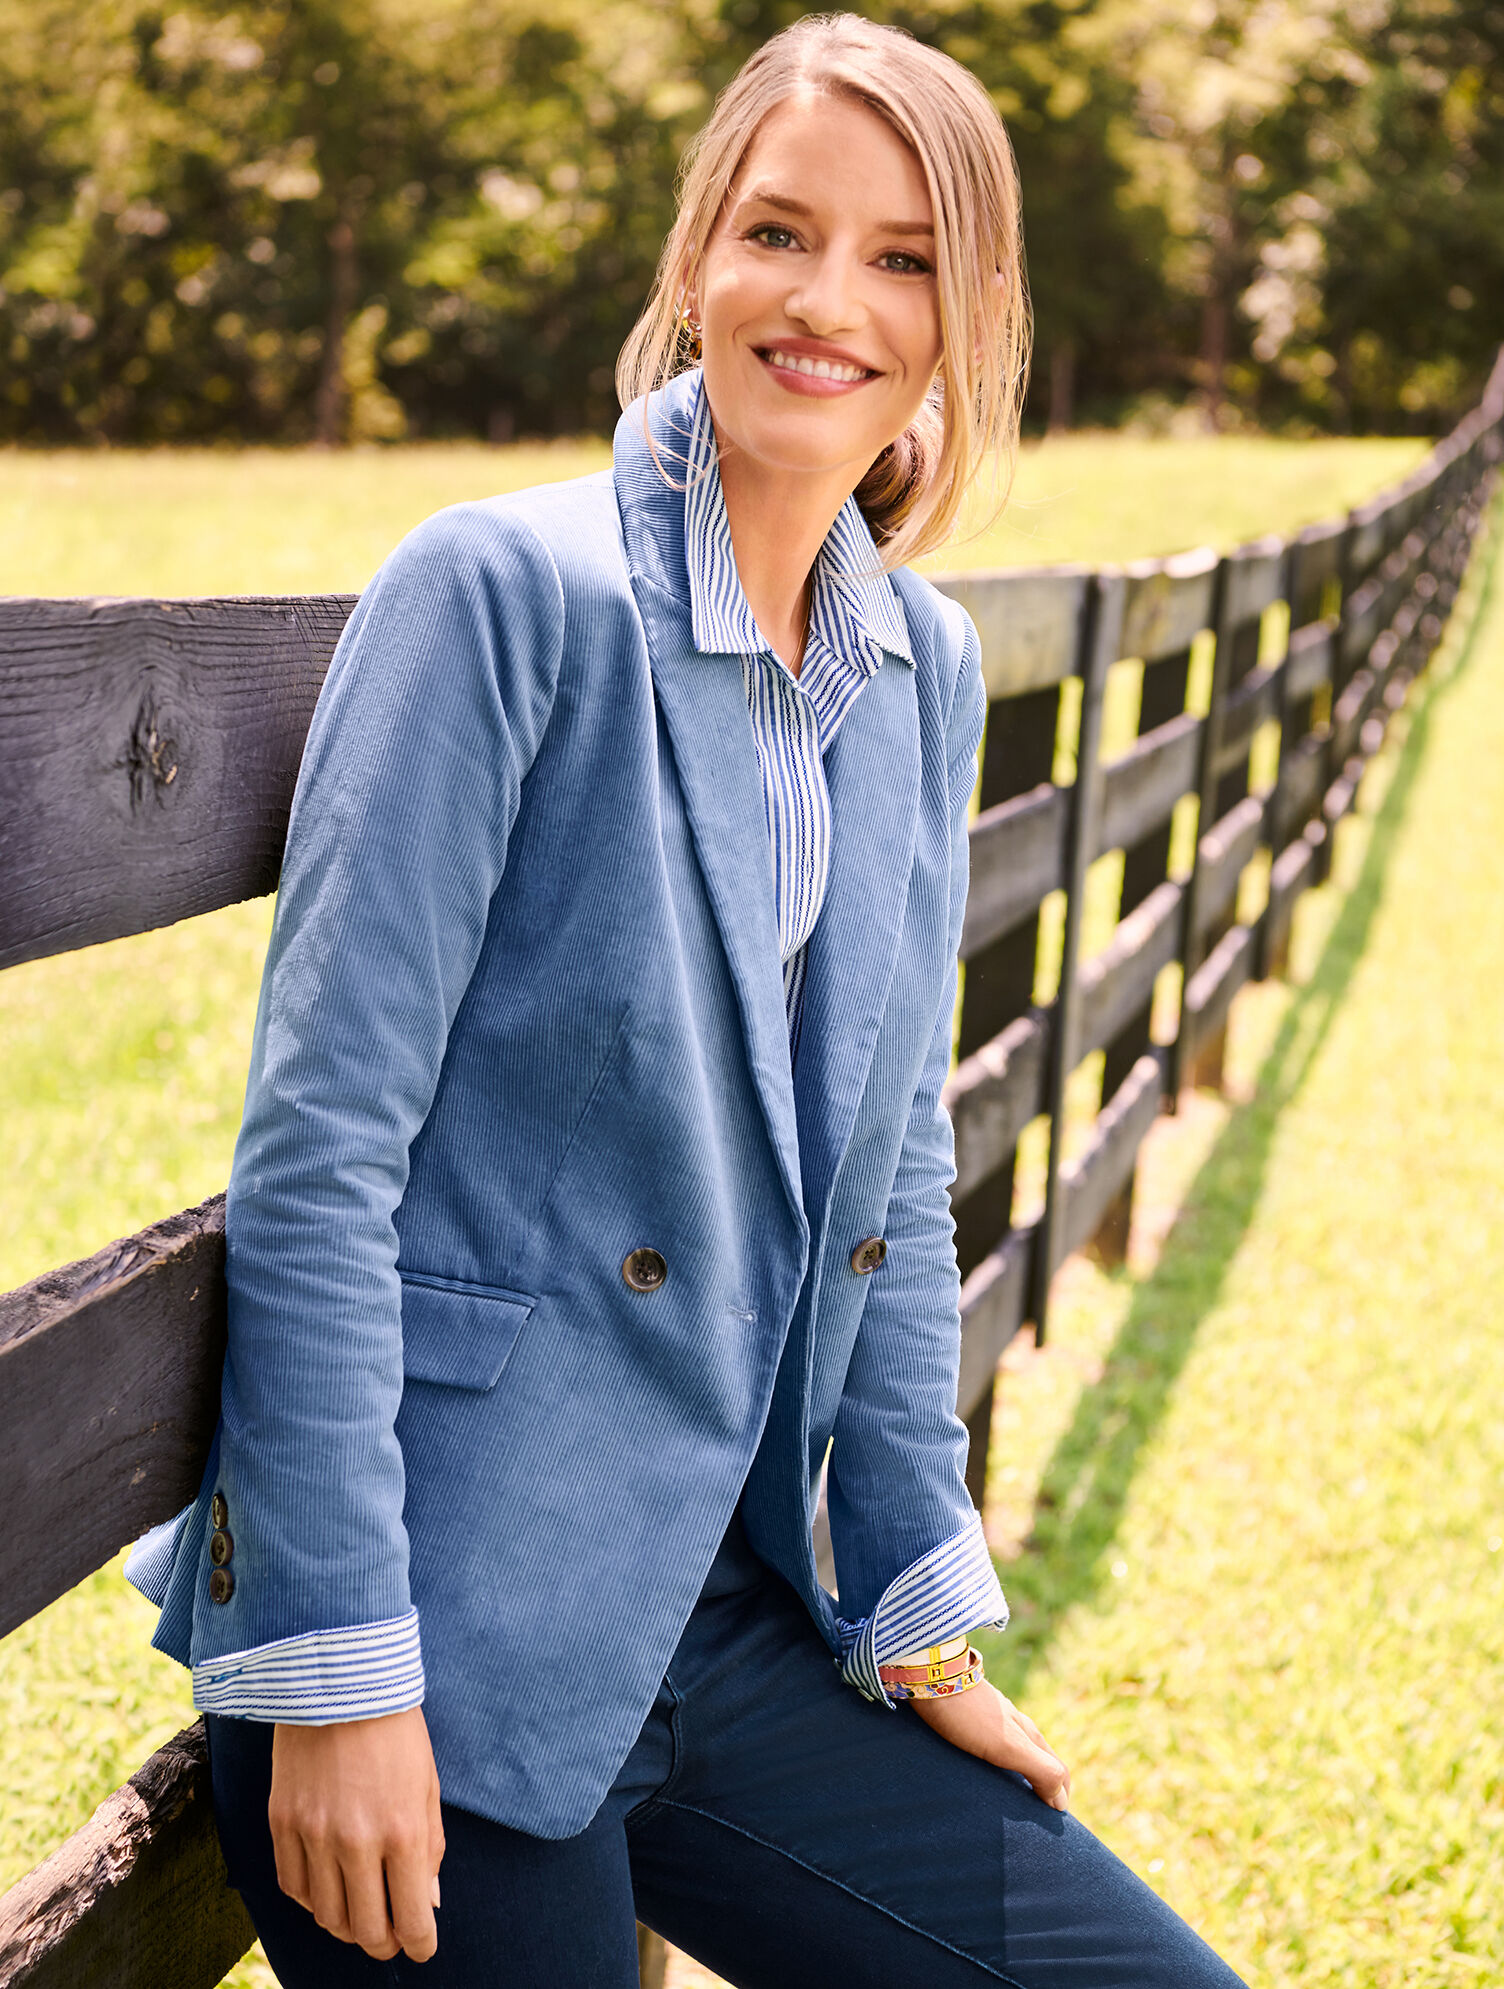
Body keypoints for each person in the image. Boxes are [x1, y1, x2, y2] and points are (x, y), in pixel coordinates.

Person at [126, 14, 1247, 1985]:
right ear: (693, 262)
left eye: (900, 257)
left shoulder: (920, 665)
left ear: (963, 313)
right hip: (437, 1630)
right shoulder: (497, 594)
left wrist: (910, 1595)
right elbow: (318, 1155)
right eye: (778, 231)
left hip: (728, 1630)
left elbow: (894, 1144)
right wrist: (332, 1669)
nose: (827, 301)